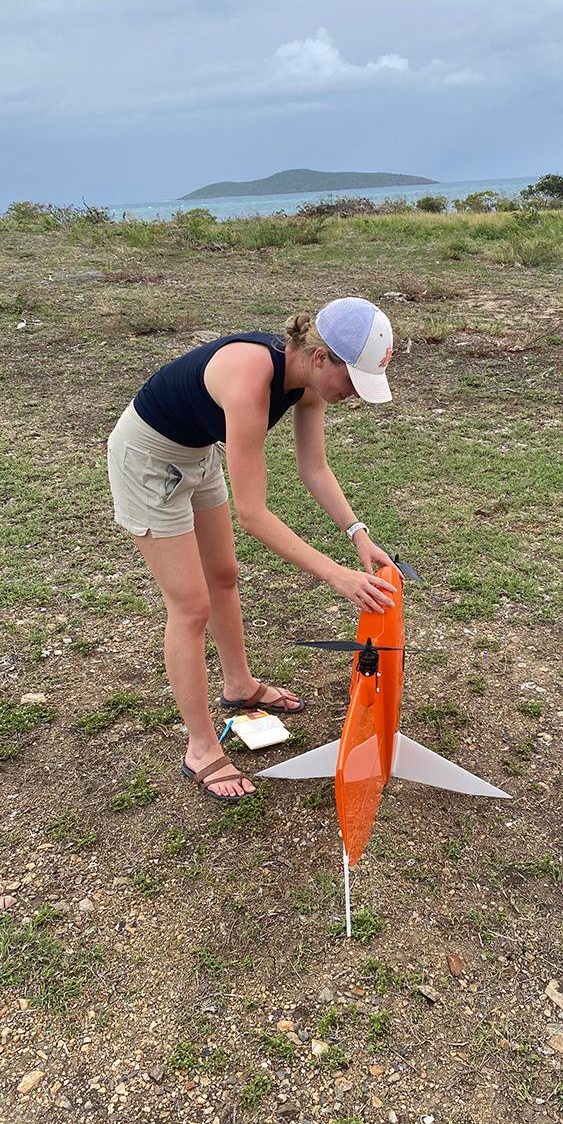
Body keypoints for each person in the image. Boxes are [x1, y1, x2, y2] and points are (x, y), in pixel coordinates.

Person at [106, 296, 398, 803]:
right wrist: (335, 574)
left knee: (224, 575)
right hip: (147, 460)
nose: (352, 395)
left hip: (197, 455)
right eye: (351, 381)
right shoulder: (249, 378)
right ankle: (200, 749)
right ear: (320, 356)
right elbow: (254, 513)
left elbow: (315, 469)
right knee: (191, 604)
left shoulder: (308, 383)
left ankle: (238, 686)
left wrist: (358, 534)